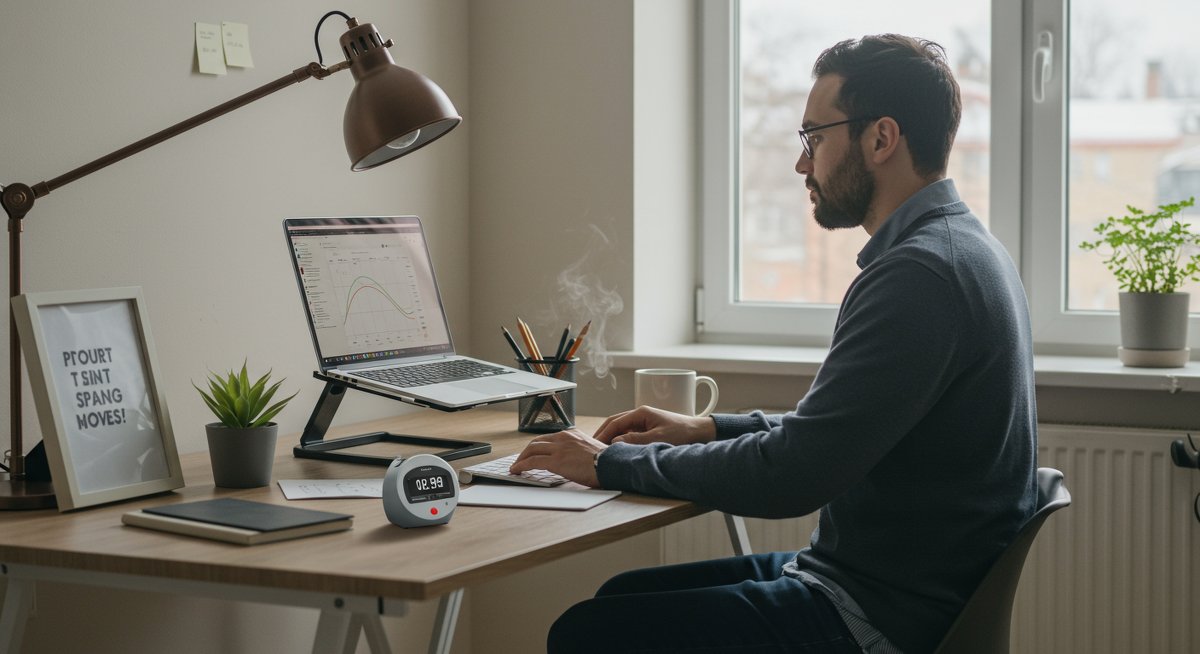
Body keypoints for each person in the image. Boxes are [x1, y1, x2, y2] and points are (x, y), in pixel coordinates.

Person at [511, 33, 1037, 653]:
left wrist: (606, 463)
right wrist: (705, 429)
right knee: (618, 599)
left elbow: (794, 475)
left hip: (873, 619)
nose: (802, 163)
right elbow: (836, 431)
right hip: (882, 588)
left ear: (880, 138)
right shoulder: (960, 250)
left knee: (588, 634)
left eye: (814, 137)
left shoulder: (920, 276)